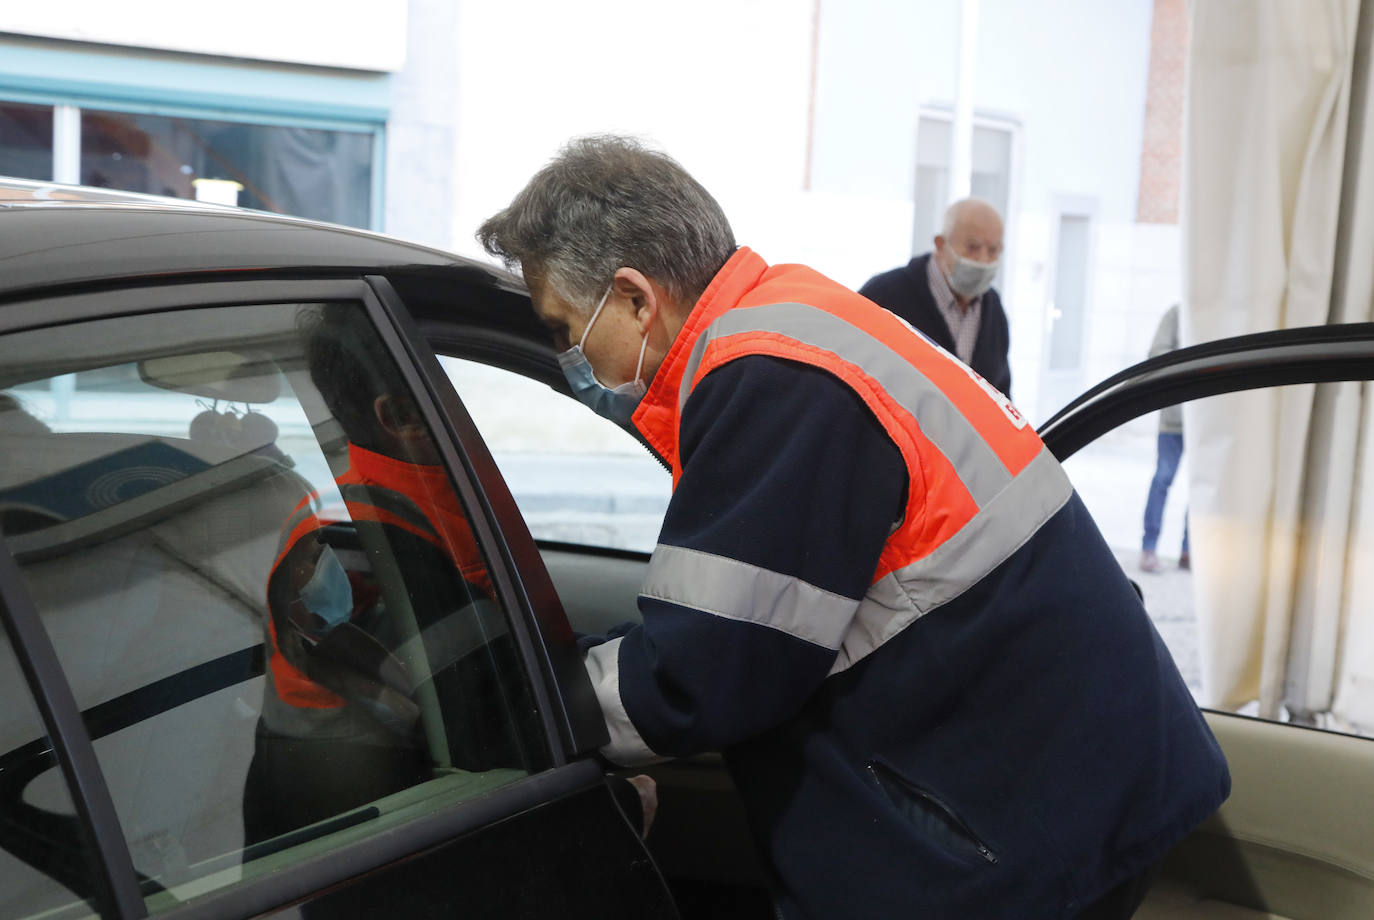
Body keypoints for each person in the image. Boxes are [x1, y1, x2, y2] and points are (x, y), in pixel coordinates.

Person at [478, 135, 1229, 920]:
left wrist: (518, 705)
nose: (567, 356)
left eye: (564, 328)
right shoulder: (799, 318)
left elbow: (705, 671)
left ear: (635, 297)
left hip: (1022, 826)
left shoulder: (768, 376)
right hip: (1065, 776)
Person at [859, 197, 1012, 397]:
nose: (983, 260)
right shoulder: (884, 295)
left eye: (993, 251)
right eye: (973, 247)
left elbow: (1001, 396)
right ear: (941, 244)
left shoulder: (994, 309)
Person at [1140, 304, 1190, 573]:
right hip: (1173, 419)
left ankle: (1189, 550)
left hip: (1205, 423)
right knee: (1163, 478)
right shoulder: (1176, 314)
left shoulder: (1221, 316)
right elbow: (1156, 355)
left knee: (1202, 487)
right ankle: (1149, 547)